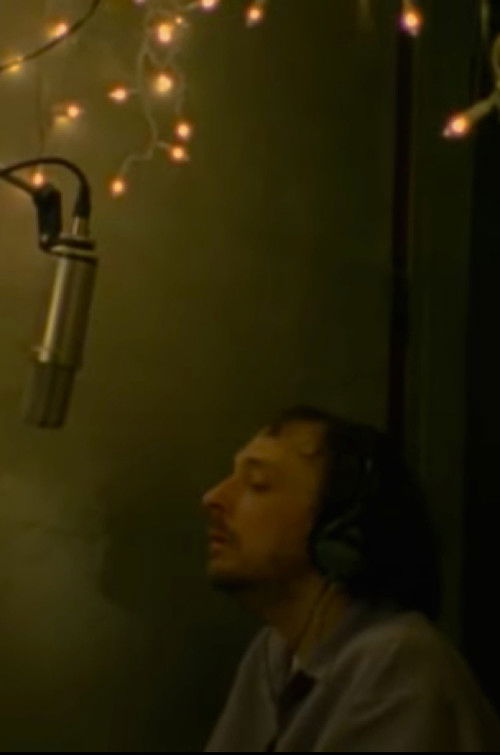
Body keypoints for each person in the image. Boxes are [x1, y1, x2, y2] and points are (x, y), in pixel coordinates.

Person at [201, 405, 500, 752]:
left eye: (257, 484)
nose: (213, 497)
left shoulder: (399, 664)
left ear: (339, 532)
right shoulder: (273, 653)